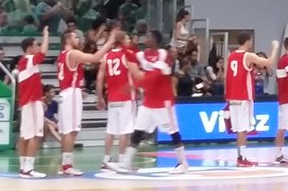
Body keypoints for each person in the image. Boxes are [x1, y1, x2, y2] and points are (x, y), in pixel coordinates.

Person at [120, 31, 190, 174]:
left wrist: (135, 85)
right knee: (138, 131)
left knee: (173, 131)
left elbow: (155, 76)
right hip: (148, 101)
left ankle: (182, 163)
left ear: (156, 40)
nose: (146, 38)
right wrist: (120, 44)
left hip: (164, 101)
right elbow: (131, 56)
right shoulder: (143, 54)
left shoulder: (164, 55)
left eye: (149, 36)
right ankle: (126, 163)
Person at [56, 28, 117, 176]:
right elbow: (95, 58)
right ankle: (67, 165)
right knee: (72, 130)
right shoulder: (74, 53)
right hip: (71, 93)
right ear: (67, 40)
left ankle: (64, 164)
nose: (78, 39)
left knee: (66, 132)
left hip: (65, 92)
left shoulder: (62, 56)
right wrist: (109, 42)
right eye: (75, 37)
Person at [225, 33, 279, 167]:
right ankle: (242, 157)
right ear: (248, 41)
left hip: (232, 96)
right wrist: (275, 48)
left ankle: (240, 156)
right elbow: (268, 62)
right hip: (243, 96)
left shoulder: (231, 56)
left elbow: (227, 76)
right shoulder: (247, 56)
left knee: (239, 129)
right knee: (243, 128)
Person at [97, 32, 142, 171]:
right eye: (127, 38)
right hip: (126, 98)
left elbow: (99, 78)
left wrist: (99, 97)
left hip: (112, 98)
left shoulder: (106, 56)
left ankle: (106, 159)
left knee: (110, 130)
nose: (129, 40)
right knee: (125, 131)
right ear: (122, 40)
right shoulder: (126, 55)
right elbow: (136, 75)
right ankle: (122, 161)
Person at [17, 29, 50, 179]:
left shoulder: (22, 62)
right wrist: (46, 35)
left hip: (26, 102)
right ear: (30, 48)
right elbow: (43, 53)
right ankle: (29, 168)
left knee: (25, 135)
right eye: (36, 45)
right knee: (35, 135)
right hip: (32, 102)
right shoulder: (29, 59)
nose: (38, 47)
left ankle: (23, 166)